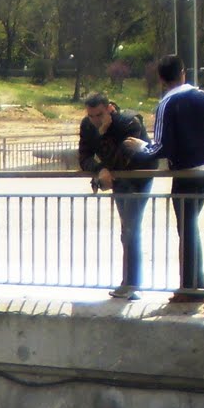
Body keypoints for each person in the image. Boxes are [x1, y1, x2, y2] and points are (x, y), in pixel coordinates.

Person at [124, 55, 204, 305]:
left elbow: (161, 147)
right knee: (191, 226)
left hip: (185, 172)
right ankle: (197, 284)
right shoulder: (202, 96)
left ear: (162, 79)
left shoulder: (168, 102)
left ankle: (190, 287)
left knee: (186, 228)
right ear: (183, 72)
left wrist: (141, 148)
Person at [78, 92, 151, 300]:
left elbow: (126, 157)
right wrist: (100, 169)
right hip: (117, 180)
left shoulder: (129, 122)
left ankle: (133, 283)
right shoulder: (87, 125)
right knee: (127, 229)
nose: (94, 120)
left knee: (131, 227)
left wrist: (105, 136)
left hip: (138, 178)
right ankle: (129, 281)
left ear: (109, 108)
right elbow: (83, 157)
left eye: (99, 115)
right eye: (91, 116)